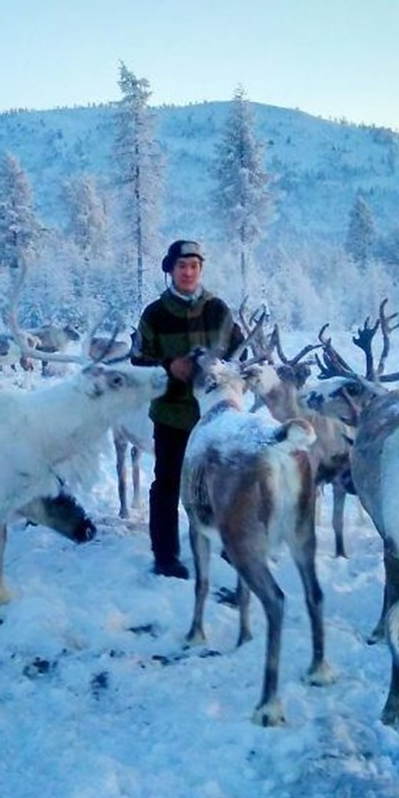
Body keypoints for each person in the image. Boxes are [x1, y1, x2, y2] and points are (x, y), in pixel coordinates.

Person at [131, 239, 243, 578]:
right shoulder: (154, 314)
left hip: (215, 418)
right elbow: (137, 359)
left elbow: (240, 353)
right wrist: (168, 366)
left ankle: (225, 548)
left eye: (194, 266)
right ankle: (165, 555)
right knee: (167, 483)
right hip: (172, 414)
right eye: (182, 266)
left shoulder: (218, 310)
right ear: (170, 270)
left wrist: (221, 368)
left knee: (219, 484)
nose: (189, 272)